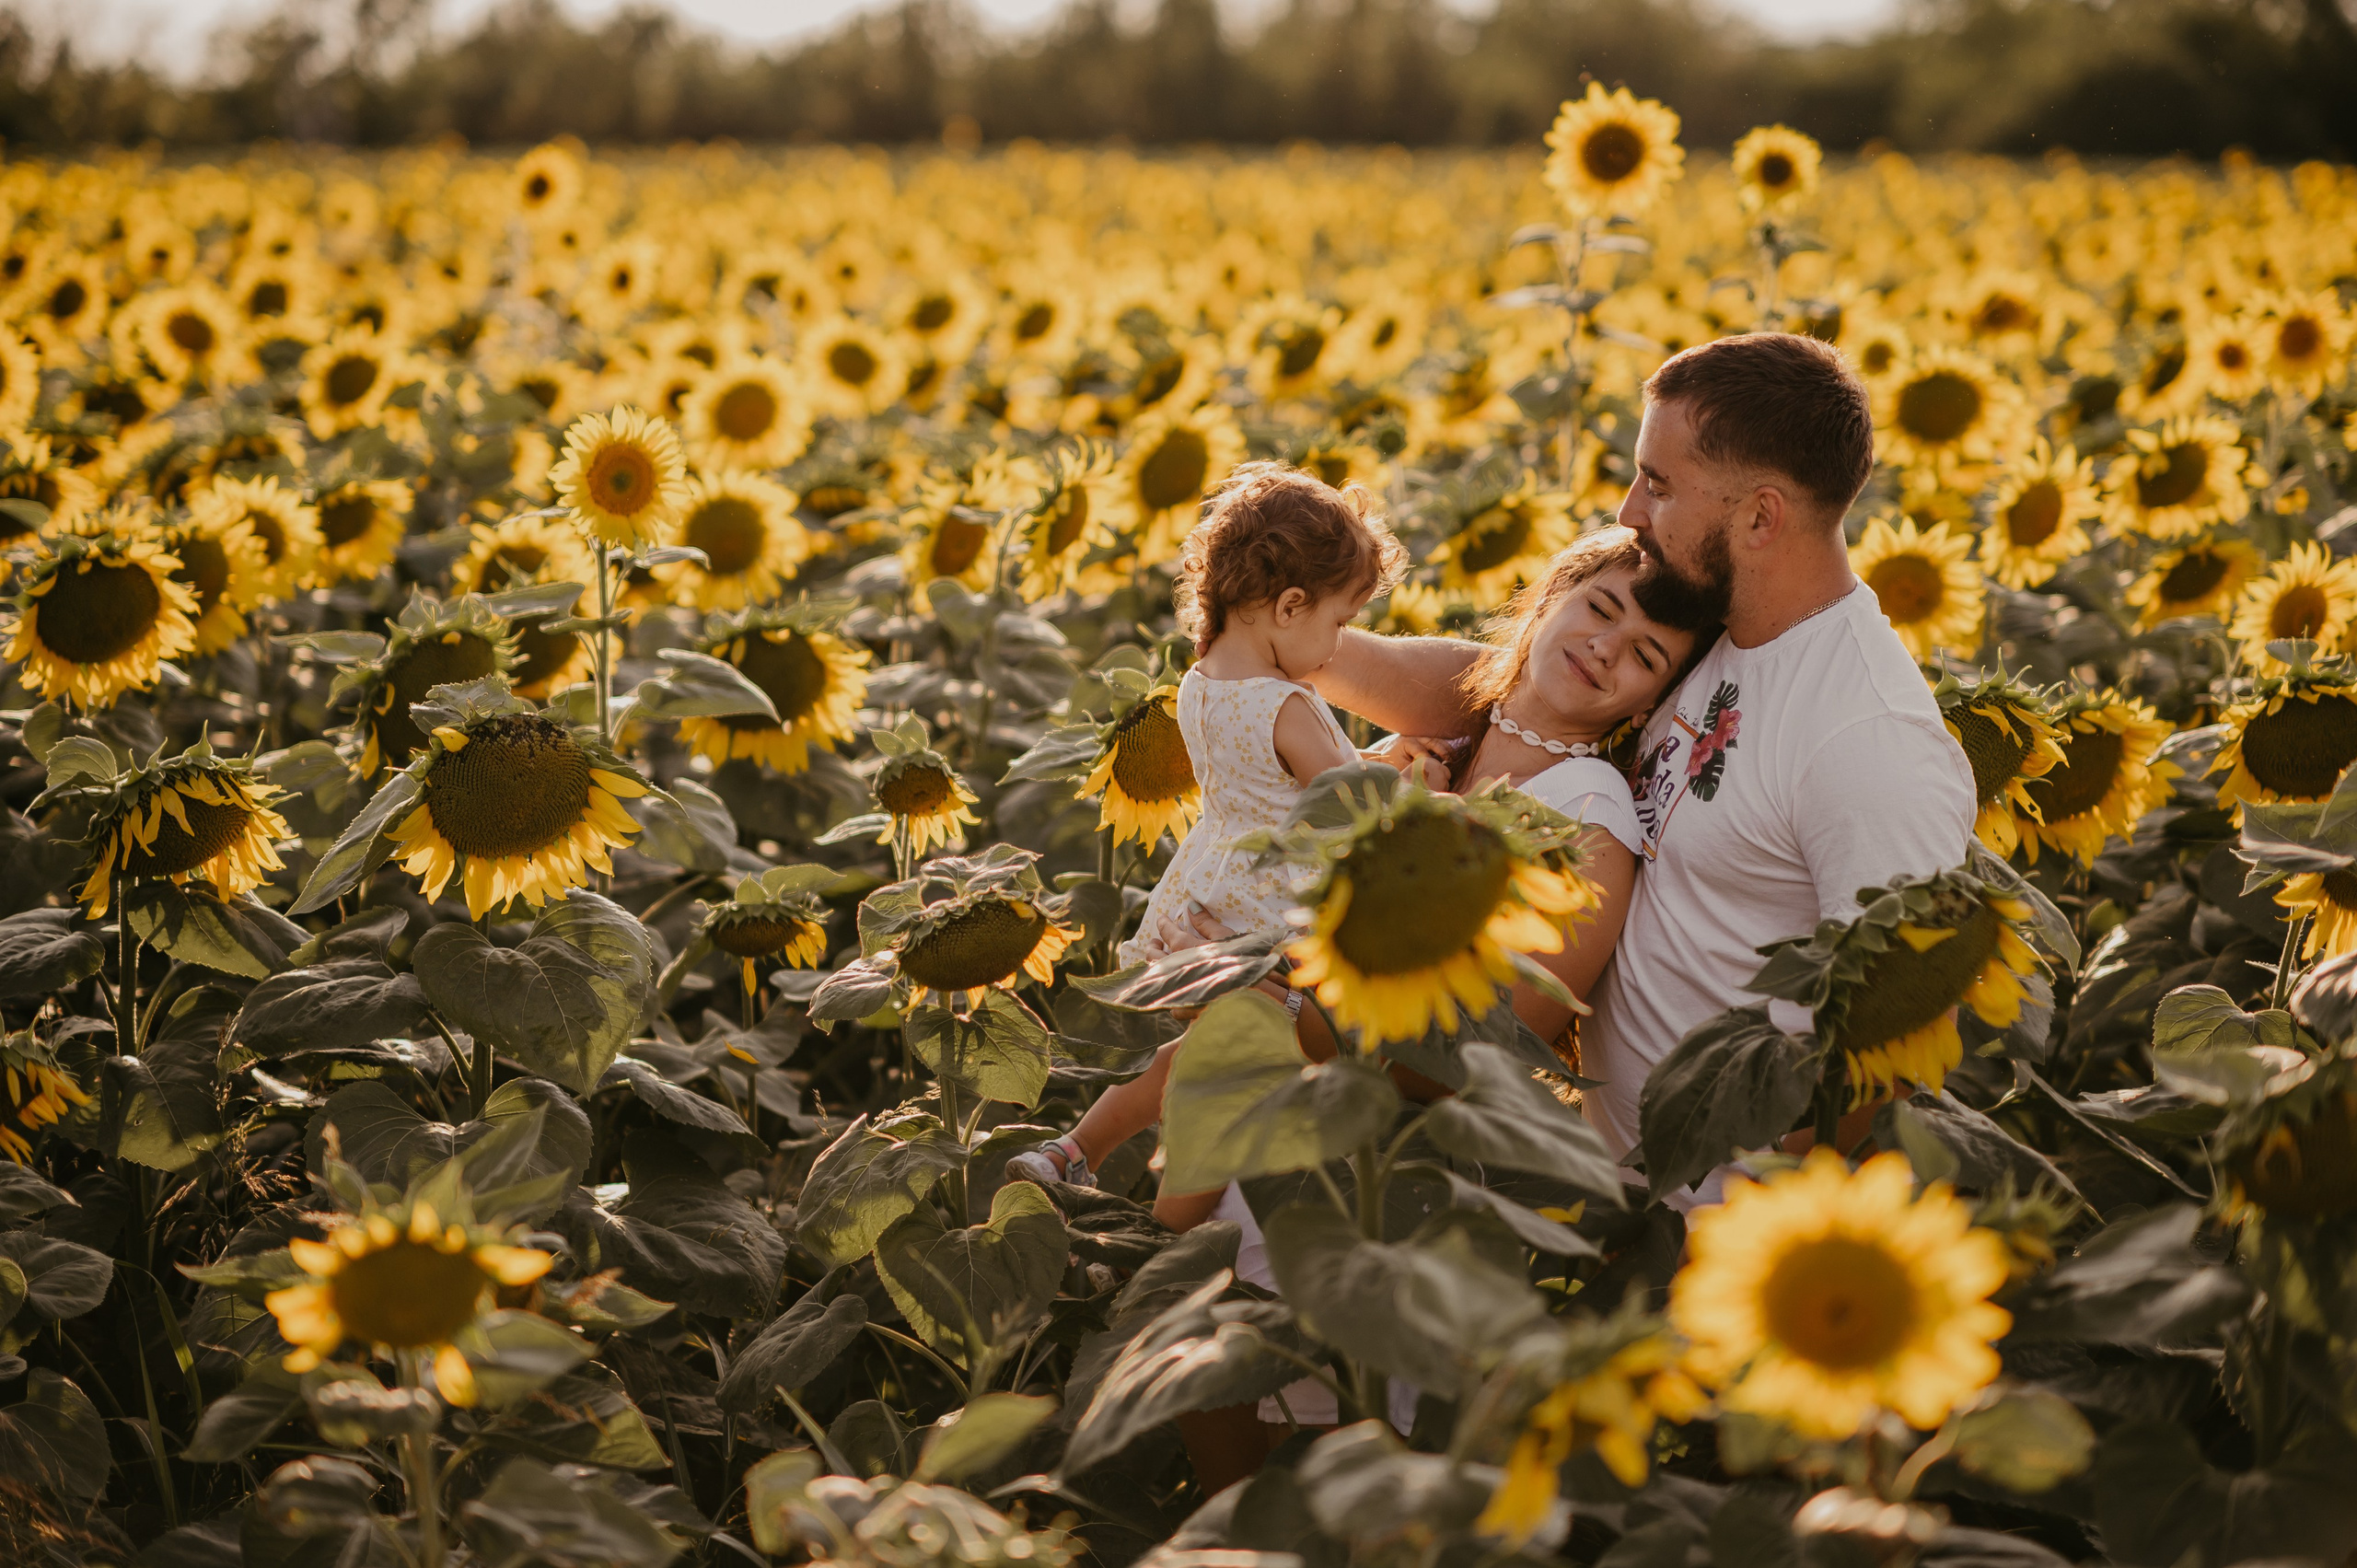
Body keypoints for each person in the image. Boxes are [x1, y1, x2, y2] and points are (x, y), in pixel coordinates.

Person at [1294, 331, 1977, 1202]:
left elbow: (1896, 1058)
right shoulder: (1726, 620)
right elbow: (1515, 686)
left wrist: (1743, 1251)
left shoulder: (1868, 740)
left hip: (1711, 1235)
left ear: (1760, 518)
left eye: (1658, 483)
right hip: (1597, 1196)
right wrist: (1310, 650)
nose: (1627, 510)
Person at [1136, 525, 1718, 1468]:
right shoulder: (1440, 741)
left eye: (1645, 653)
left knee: (1326, 1447)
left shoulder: (1589, 816)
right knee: (1216, 1396)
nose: (1607, 645)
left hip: (1387, 1172)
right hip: (1279, 1118)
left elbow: (1501, 1046)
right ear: (1546, 602)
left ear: (1654, 698)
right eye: (1598, 607)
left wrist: (1271, 1005)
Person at [1004, 460, 1409, 1190]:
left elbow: (1271, 780)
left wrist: (1372, 755)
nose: (1338, 648)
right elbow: (1351, 801)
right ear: (1288, 605)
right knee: (1242, 1082)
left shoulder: (1200, 685)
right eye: (1339, 623)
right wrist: (1416, 781)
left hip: (1213, 890)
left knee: (1197, 1064)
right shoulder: (1289, 706)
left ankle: (1073, 1150)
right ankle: (1180, 1225)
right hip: (1276, 917)